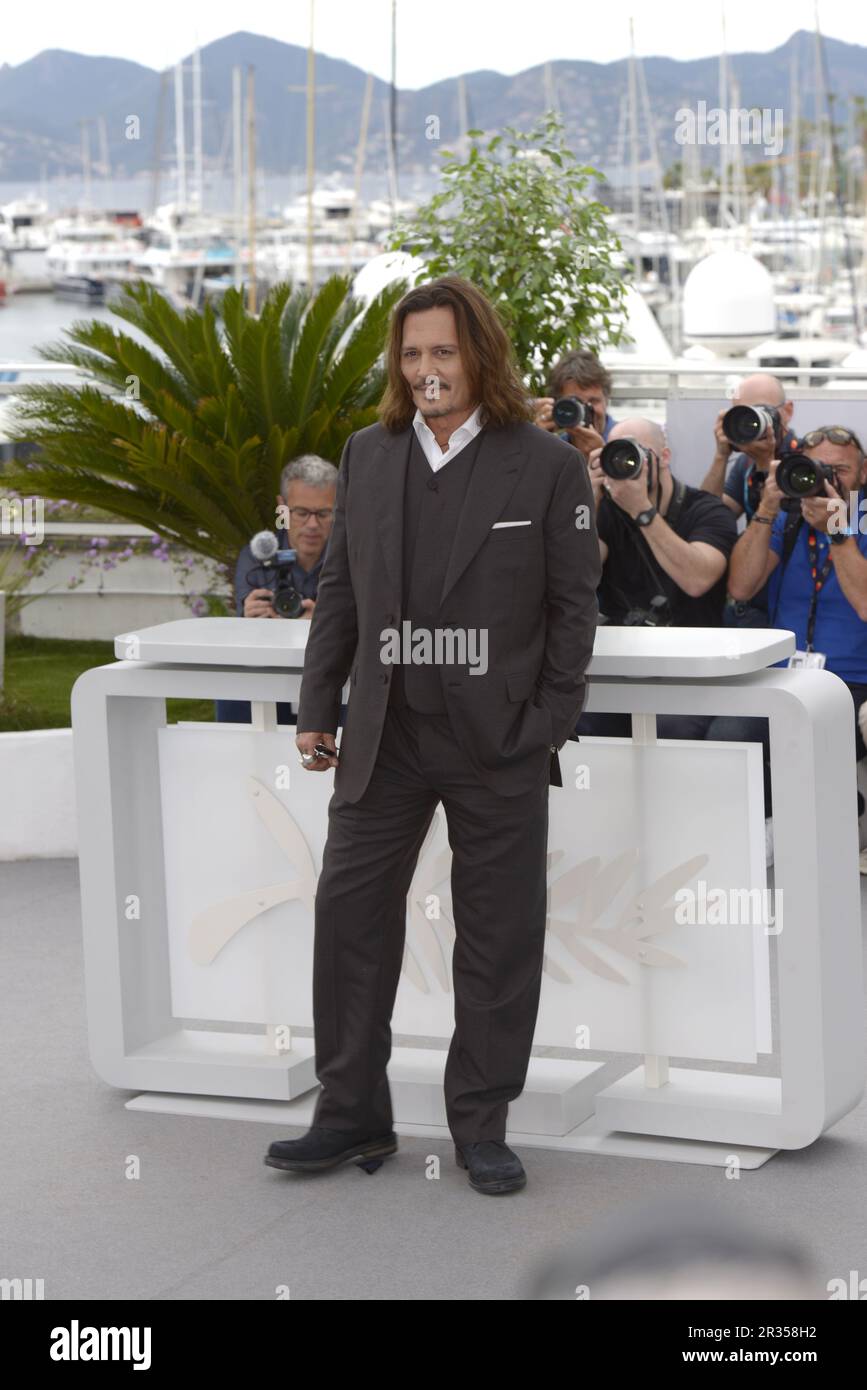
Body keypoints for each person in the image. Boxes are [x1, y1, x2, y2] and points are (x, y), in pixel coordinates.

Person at [263, 275, 600, 1195]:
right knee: (348, 921)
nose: (424, 371)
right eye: (410, 354)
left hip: (499, 742)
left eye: (442, 352)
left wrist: (543, 725)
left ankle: (480, 1126)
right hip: (385, 734)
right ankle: (349, 1118)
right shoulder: (366, 457)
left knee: (496, 937)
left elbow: (575, 611)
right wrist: (317, 708)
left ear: (478, 355)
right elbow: (339, 593)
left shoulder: (544, 466)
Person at [727, 425, 867, 865]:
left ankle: (804, 828)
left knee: (804, 740)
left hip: (852, 681)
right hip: (783, 677)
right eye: (813, 468)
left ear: (862, 474)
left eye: (839, 469)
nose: (826, 478)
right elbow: (741, 587)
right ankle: (764, 828)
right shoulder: (787, 521)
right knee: (727, 737)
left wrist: (838, 531)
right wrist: (768, 506)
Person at [572, 416, 737, 742]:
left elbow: (697, 579)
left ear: (663, 457)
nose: (627, 462)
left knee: (673, 730)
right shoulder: (606, 512)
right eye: (617, 453)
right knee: (580, 723)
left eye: (636, 452)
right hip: (621, 667)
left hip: (690, 672)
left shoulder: (706, 511)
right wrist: (587, 502)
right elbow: (576, 574)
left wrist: (642, 511)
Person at [214, 455, 337, 727]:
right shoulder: (257, 557)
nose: (312, 525)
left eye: (324, 513)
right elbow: (246, 633)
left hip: (331, 673)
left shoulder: (353, 558)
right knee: (236, 684)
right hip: (265, 672)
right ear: (282, 508)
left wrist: (325, 623)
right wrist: (251, 615)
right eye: (302, 512)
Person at [700, 372, 800, 629]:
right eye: (744, 413)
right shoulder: (745, 462)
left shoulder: (802, 460)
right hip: (748, 595)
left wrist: (767, 463)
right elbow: (709, 518)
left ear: (787, 412)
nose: (754, 421)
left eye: (762, 410)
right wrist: (721, 456)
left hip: (784, 596)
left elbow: (788, 523)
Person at [532, 348, 617, 457]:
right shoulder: (554, 445)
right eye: (576, 403)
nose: (585, 410)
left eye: (593, 401)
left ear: (606, 400)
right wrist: (536, 442)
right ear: (557, 406)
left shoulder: (626, 437)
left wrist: (604, 457)